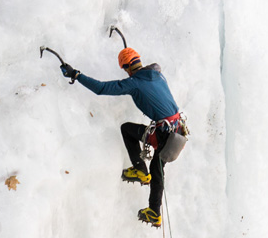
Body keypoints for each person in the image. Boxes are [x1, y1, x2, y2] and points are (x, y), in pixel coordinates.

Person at [59, 47, 182, 227]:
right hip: (176, 128)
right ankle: (140, 171)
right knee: (130, 132)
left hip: (165, 133)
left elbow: (101, 88)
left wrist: (76, 75)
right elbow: (143, 73)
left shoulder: (134, 83)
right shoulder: (157, 75)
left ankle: (154, 211)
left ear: (126, 68)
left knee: (157, 171)